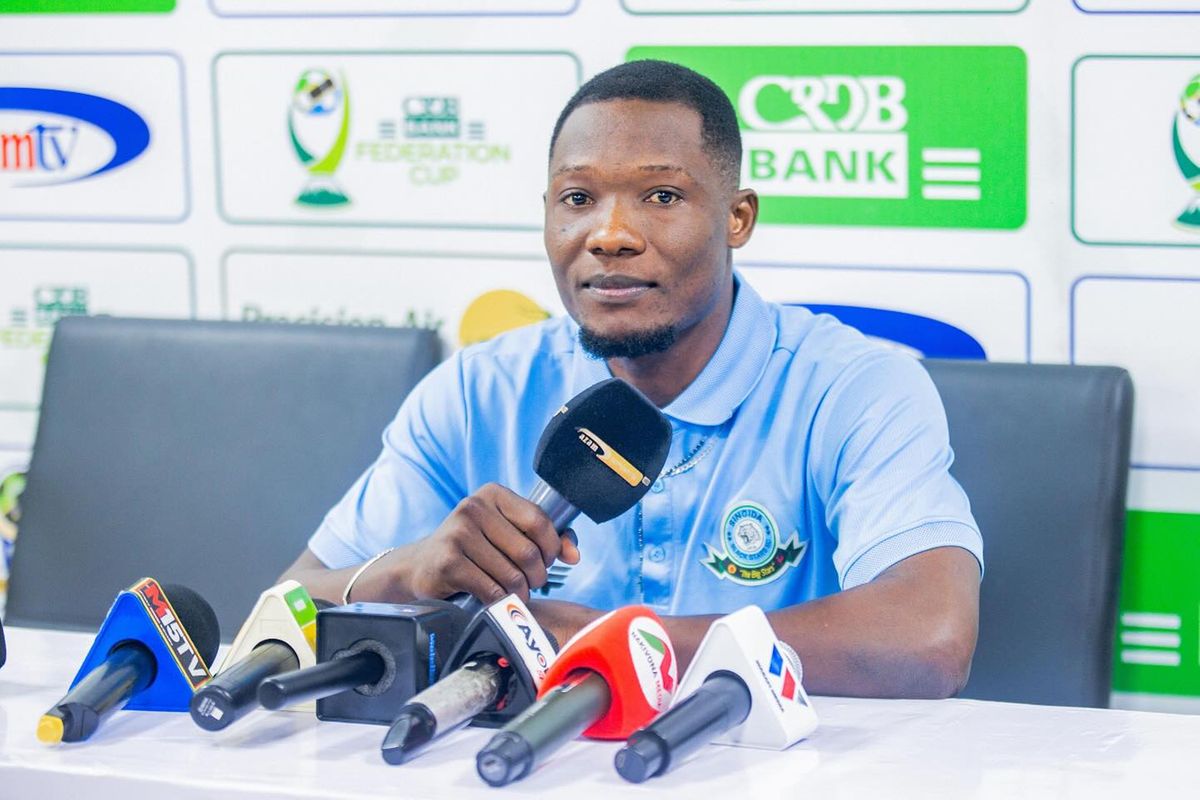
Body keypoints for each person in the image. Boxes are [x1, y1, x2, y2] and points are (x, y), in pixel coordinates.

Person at [280, 59, 983, 699]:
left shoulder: (854, 387)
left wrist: (613, 644)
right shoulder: (477, 391)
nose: (609, 234)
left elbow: (928, 639)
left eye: (662, 196)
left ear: (737, 218)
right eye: (577, 198)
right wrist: (407, 571)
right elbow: (288, 607)